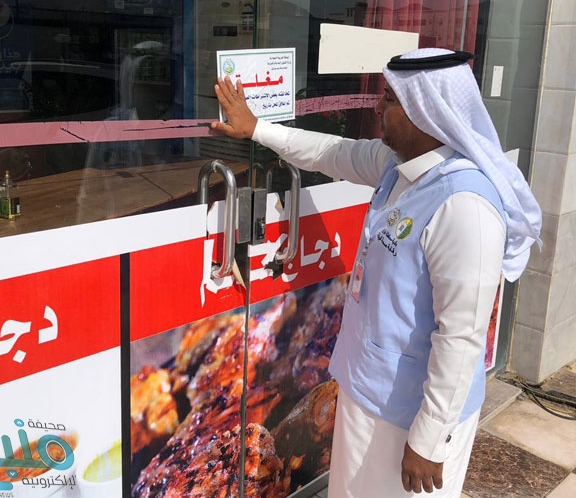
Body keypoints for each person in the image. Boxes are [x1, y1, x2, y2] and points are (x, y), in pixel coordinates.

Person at [211, 47, 542, 497]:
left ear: (425, 111)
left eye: (389, 98)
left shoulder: (465, 207)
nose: (376, 107)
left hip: (411, 419)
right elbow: (330, 152)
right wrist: (256, 129)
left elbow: (462, 337)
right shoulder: (398, 166)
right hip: (367, 392)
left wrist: (430, 439)